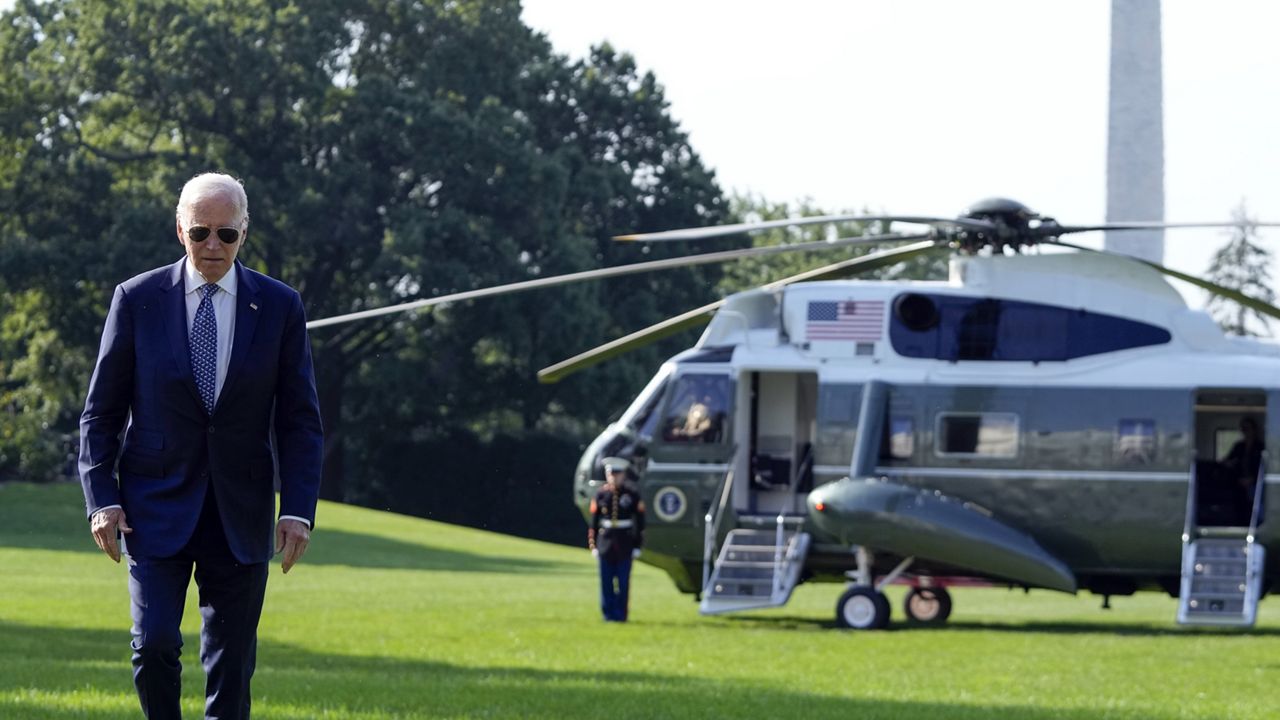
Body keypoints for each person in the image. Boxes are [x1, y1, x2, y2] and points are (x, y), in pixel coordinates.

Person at [78, 172, 323, 720]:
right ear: (179, 229)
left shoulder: (280, 307)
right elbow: (101, 412)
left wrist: (299, 510)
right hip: (152, 509)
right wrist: (101, 497)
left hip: (242, 510)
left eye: (227, 235)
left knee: (232, 665)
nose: (213, 246)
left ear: (245, 231)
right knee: (155, 643)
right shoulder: (136, 300)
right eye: (200, 232)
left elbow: (300, 422)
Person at [588, 457, 645, 622]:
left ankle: (621, 614)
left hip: (625, 543)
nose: (614, 477)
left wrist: (637, 545)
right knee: (606, 582)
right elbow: (594, 523)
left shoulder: (632, 494)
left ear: (624, 475)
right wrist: (593, 546)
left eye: (617, 473)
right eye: (611, 473)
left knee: (623, 582)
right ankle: (608, 614)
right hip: (605, 543)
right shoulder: (600, 494)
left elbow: (639, 523)